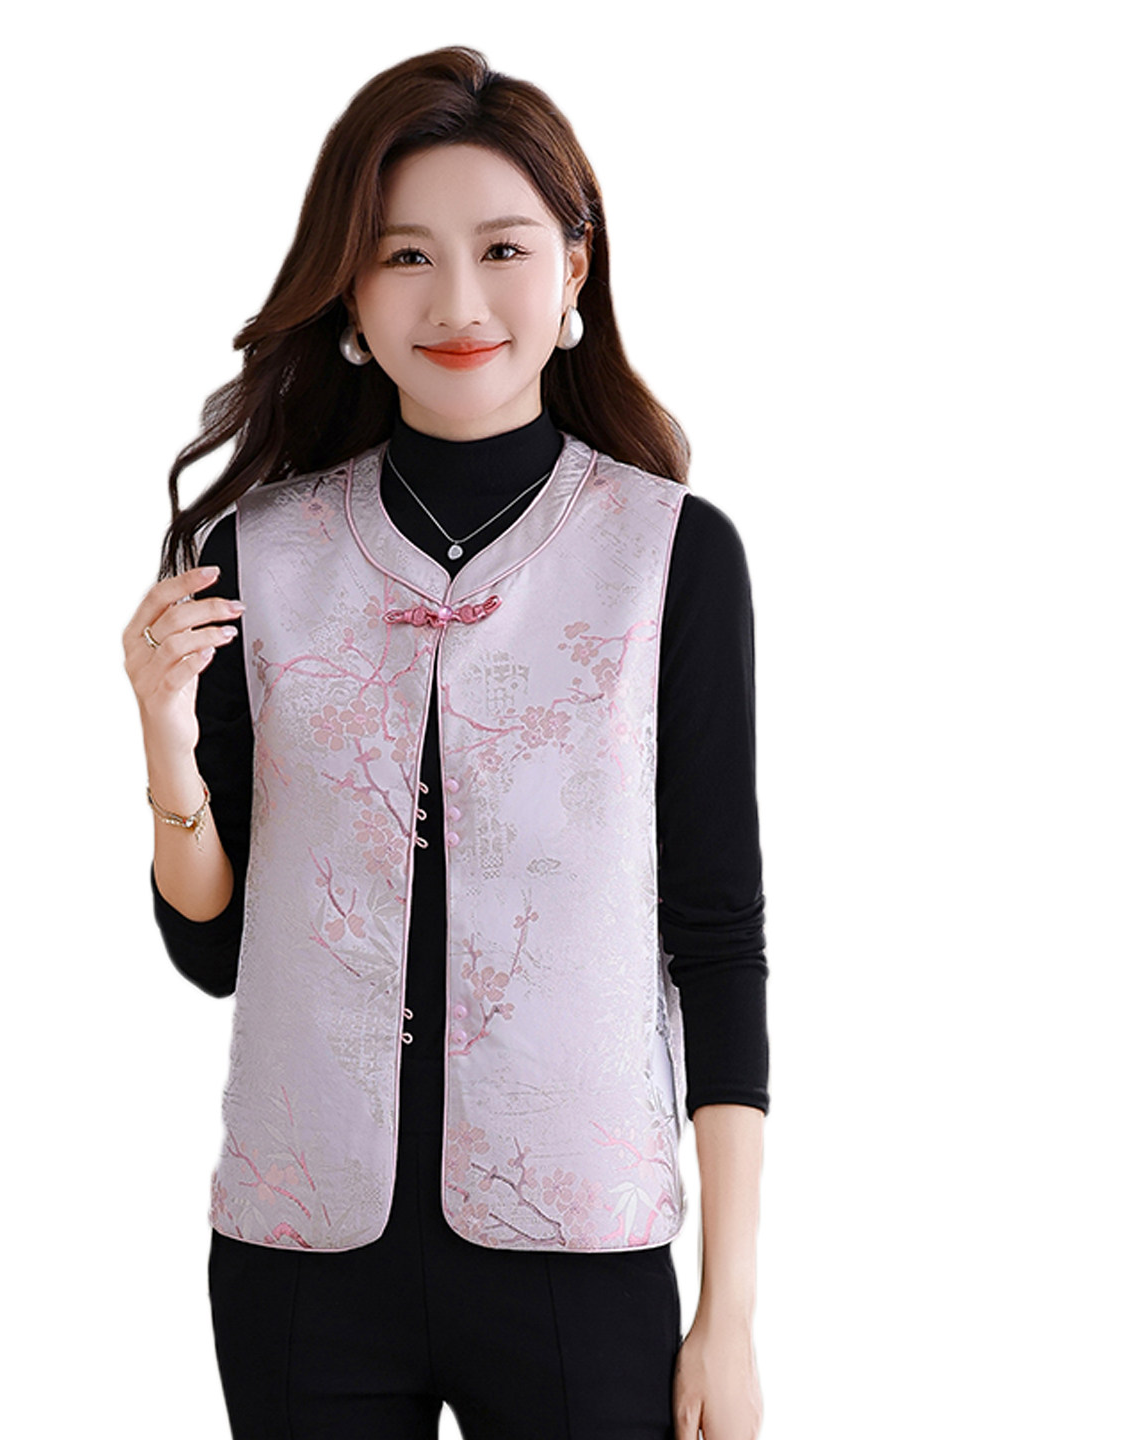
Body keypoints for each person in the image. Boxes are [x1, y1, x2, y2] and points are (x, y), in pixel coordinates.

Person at [122, 47, 767, 1440]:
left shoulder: (670, 557)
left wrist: (727, 1311)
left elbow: (717, 939)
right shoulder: (256, 552)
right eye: (406, 253)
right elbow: (211, 947)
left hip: (579, 1251)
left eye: (503, 249)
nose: (459, 301)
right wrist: (168, 743)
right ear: (350, 291)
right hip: (301, 1254)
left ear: (575, 269)